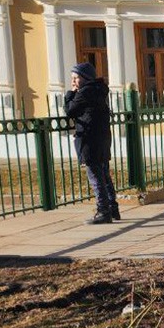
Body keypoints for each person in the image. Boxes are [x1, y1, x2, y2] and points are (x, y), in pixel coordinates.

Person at [65, 62, 119, 225]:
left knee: (95, 176)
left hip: (90, 139)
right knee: (104, 174)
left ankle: (103, 211)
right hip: (102, 138)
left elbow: (70, 111)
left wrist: (70, 94)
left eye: (76, 78)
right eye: (72, 79)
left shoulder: (84, 93)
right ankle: (113, 208)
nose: (73, 82)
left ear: (85, 78)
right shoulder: (98, 90)